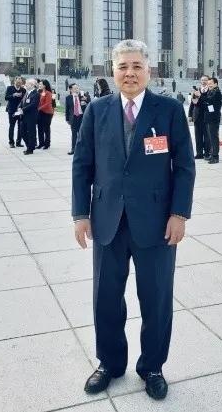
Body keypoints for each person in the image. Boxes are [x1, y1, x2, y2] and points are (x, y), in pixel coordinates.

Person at [72, 39, 195, 401]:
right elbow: (82, 164)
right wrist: (80, 214)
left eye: (136, 66)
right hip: (107, 220)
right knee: (106, 297)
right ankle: (109, 363)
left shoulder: (168, 110)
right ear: (113, 71)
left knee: (156, 298)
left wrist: (179, 214)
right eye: (123, 66)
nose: (129, 73)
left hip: (156, 223)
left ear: (148, 70)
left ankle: (152, 367)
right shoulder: (97, 110)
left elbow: (184, 167)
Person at [188, 76, 210, 160]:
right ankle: (199, 153)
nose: (204, 81)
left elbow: (208, 101)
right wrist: (190, 115)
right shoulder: (197, 91)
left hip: (207, 116)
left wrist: (200, 96)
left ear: (208, 81)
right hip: (197, 116)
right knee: (198, 136)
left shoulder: (210, 91)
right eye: (202, 80)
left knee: (207, 136)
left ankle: (207, 153)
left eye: (205, 80)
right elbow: (192, 104)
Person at [65, 83, 90, 155]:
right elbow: (67, 109)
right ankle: (73, 149)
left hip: (82, 117)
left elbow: (89, 101)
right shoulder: (68, 98)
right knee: (74, 134)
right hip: (73, 118)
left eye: (77, 88)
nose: (77, 89)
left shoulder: (82, 95)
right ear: (71, 89)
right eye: (75, 88)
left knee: (82, 134)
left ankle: (83, 149)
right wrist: (67, 119)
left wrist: (86, 99)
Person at [17, 79, 39, 154]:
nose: (25, 85)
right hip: (24, 116)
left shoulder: (36, 94)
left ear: (32, 85)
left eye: (27, 83)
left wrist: (23, 109)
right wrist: (19, 107)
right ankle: (29, 146)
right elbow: (22, 102)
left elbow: (33, 104)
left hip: (31, 116)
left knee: (31, 133)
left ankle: (30, 149)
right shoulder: (27, 92)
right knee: (22, 132)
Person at [204, 77, 222, 164]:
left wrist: (201, 96)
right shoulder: (210, 91)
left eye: (211, 83)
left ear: (215, 84)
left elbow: (210, 100)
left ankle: (215, 156)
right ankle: (212, 154)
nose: (209, 85)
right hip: (209, 117)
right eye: (208, 83)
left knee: (214, 137)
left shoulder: (217, 92)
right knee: (210, 137)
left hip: (214, 118)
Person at [5, 76, 26, 148]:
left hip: (20, 110)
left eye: (20, 82)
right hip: (12, 110)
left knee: (20, 127)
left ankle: (18, 142)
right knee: (12, 126)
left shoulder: (23, 90)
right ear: (15, 81)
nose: (19, 83)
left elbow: (24, 100)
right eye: (18, 82)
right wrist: (13, 95)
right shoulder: (10, 88)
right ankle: (11, 142)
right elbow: (6, 97)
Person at [37, 79, 54, 149]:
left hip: (47, 113)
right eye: (39, 84)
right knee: (40, 128)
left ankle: (47, 144)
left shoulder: (48, 93)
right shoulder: (41, 92)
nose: (39, 85)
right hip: (41, 112)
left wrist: (39, 108)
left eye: (41, 84)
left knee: (46, 129)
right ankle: (41, 143)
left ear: (44, 85)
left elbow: (48, 103)